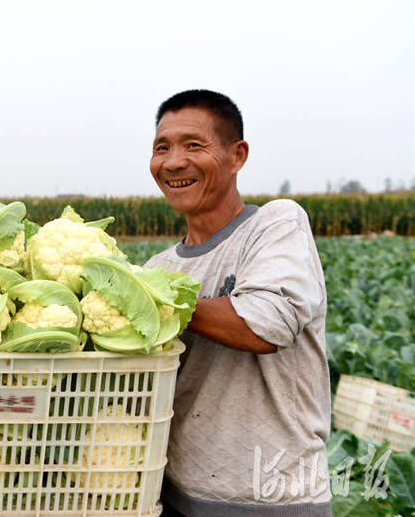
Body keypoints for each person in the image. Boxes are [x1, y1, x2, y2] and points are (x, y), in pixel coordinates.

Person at [145, 90, 332, 516]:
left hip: (270, 499)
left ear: (237, 155)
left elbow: (265, 325)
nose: (174, 162)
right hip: (174, 492)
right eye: (162, 148)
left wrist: (148, 300)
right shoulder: (159, 267)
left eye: (194, 145)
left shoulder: (275, 225)